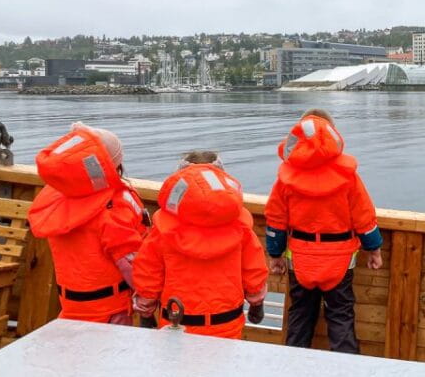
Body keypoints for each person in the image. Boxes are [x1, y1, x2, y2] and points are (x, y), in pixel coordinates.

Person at [265, 109, 383, 353]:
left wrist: (275, 256)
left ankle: (293, 369)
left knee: (299, 316)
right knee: (341, 317)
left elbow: (275, 221)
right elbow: (364, 217)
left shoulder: (286, 177)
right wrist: (374, 249)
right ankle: (346, 372)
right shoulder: (348, 175)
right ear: (332, 133)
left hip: (301, 257)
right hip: (340, 258)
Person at [132, 151, 268, 338]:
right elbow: (254, 271)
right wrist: (256, 303)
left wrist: (146, 312)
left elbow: (148, 273)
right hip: (227, 323)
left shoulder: (163, 230)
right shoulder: (241, 227)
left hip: (177, 323)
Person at [28, 122, 148, 324]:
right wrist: (147, 296)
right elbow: (130, 261)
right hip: (110, 311)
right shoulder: (112, 207)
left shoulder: (57, 200)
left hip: (72, 307)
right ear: (112, 166)